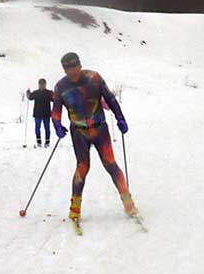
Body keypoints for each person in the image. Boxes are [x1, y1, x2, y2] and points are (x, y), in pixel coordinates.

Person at [51, 51, 136, 223]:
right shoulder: (61, 87)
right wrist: (57, 125)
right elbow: (56, 110)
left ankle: (128, 203)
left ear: (80, 65)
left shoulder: (94, 78)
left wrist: (120, 117)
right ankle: (75, 208)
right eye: (68, 68)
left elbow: (110, 99)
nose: (72, 71)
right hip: (79, 132)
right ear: (64, 70)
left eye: (74, 66)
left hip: (100, 130)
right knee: (82, 167)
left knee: (111, 165)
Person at [26, 78, 54, 148]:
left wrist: (54, 94)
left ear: (45, 85)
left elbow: (54, 99)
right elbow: (30, 97)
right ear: (39, 85)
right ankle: (39, 141)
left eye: (43, 84)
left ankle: (47, 141)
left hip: (46, 114)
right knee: (37, 128)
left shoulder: (48, 93)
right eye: (41, 84)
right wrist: (28, 93)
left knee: (47, 128)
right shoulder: (36, 93)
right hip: (37, 114)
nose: (42, 86)